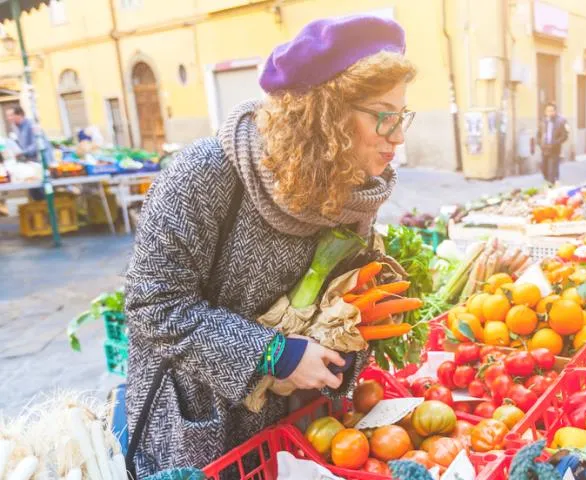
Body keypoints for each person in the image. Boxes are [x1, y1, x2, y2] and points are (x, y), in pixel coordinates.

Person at [124, 15, 416, 476]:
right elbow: (152, 304)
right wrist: (270, 354)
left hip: (293, 426)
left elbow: (338, 303)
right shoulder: (205, 173)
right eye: (384, 115)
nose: (398, 135)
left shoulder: (355, 190)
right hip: (201, 423)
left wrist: (346, 344)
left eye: (402, 116)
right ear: (327, 113)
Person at [536, 102, 568, 183]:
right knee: (544, 169)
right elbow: (539, 134)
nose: (549, 113)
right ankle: (552, 182)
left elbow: (564, 136)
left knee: (552, 171)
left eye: (551, 111)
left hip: (555, 149)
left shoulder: (561, 121)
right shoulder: (543, 121)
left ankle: (552, 185)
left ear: (555, 111)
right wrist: (540, 143)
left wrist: (555, 143)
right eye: (548, 111)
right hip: (544, 149)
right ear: (545, 112)